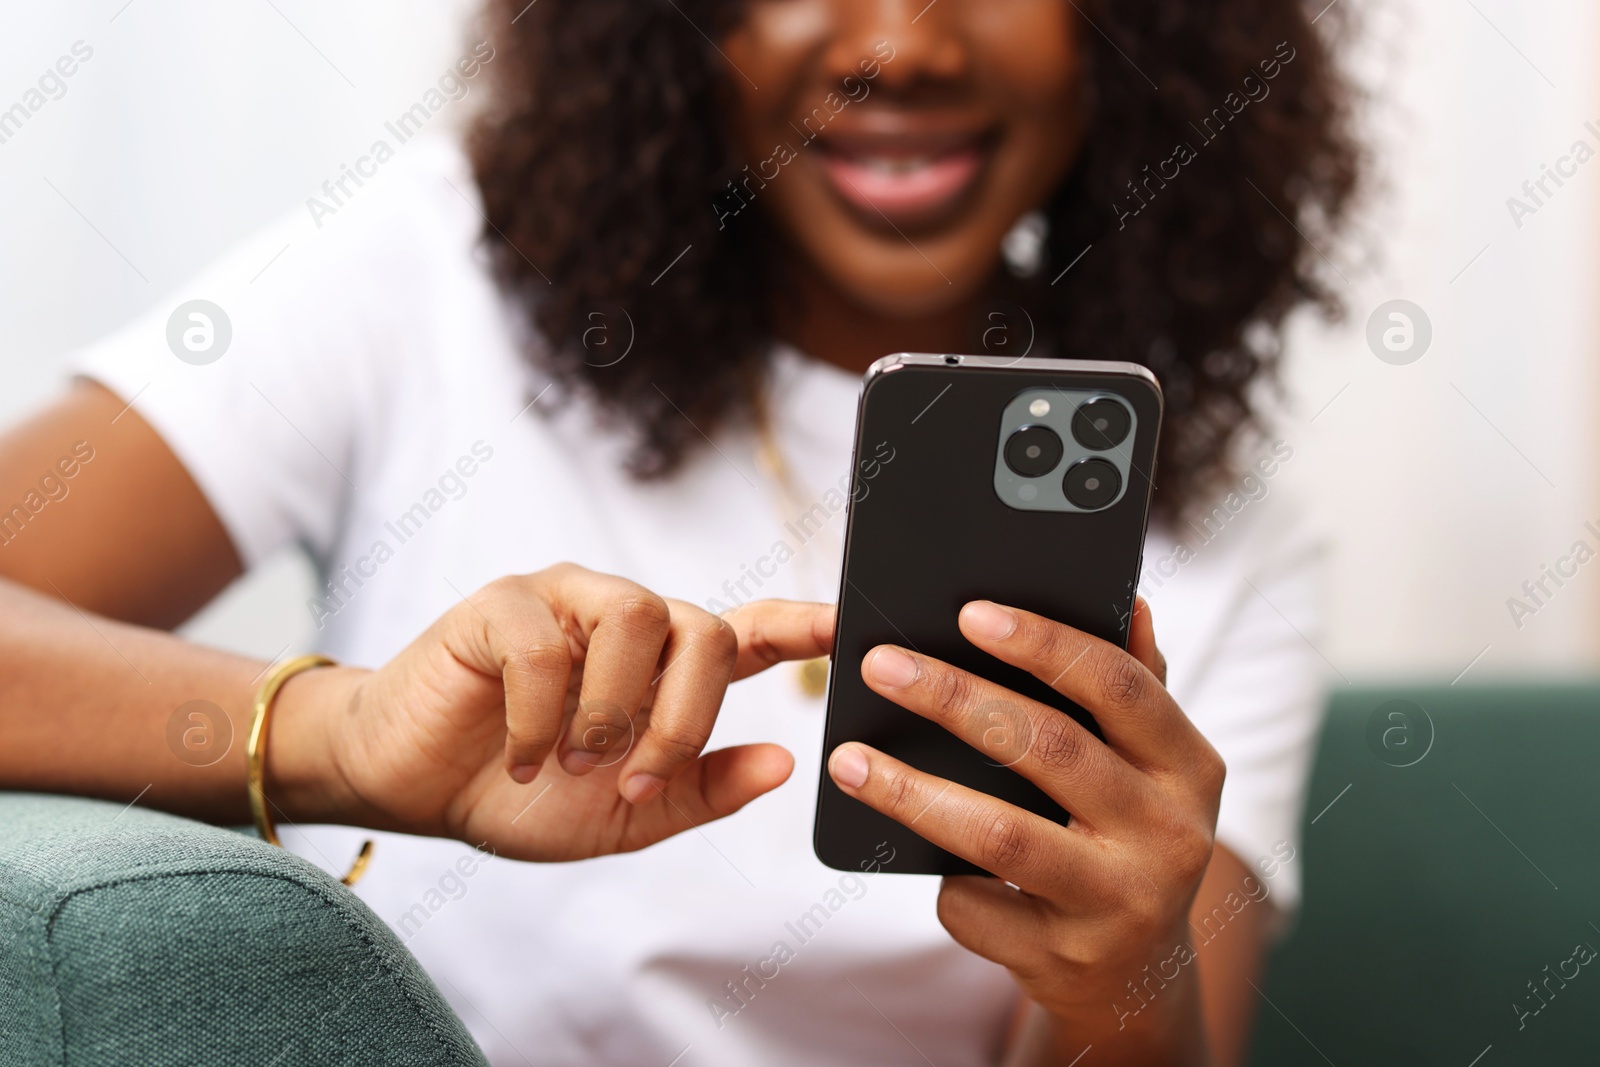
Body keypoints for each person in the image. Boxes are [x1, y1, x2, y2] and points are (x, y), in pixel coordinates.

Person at [0, 0, 1357, 1063]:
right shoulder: (425, 278)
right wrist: (342, 741)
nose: (900, 44)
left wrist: (1122, 983)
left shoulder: (1217, 529)